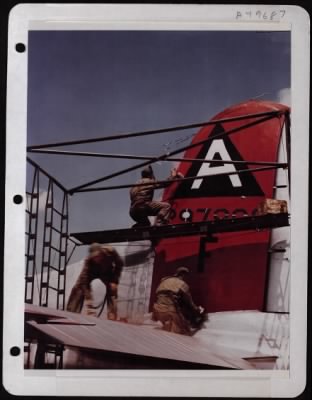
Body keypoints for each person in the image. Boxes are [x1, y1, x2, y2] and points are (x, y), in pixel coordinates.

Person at [66, 243, 124, 320]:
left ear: (101, 252)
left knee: (112, 289)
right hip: (92, 273)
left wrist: (115, 281)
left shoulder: (110, 252)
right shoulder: (88, 261)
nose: (96, 259)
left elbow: (120, 263)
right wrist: (89, 304)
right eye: (94, 257)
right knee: (78, 287)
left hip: (107, 272)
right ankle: (71, 313)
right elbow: (84, 282)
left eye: (98, 256)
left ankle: (112, 315)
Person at [152, 266, 206, 335]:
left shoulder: (164, 280)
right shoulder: (182, 284)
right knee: (184, 332)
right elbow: (189, 302)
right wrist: (197, 310)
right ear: (183, 275)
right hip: (168, 312)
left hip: (156, 309)